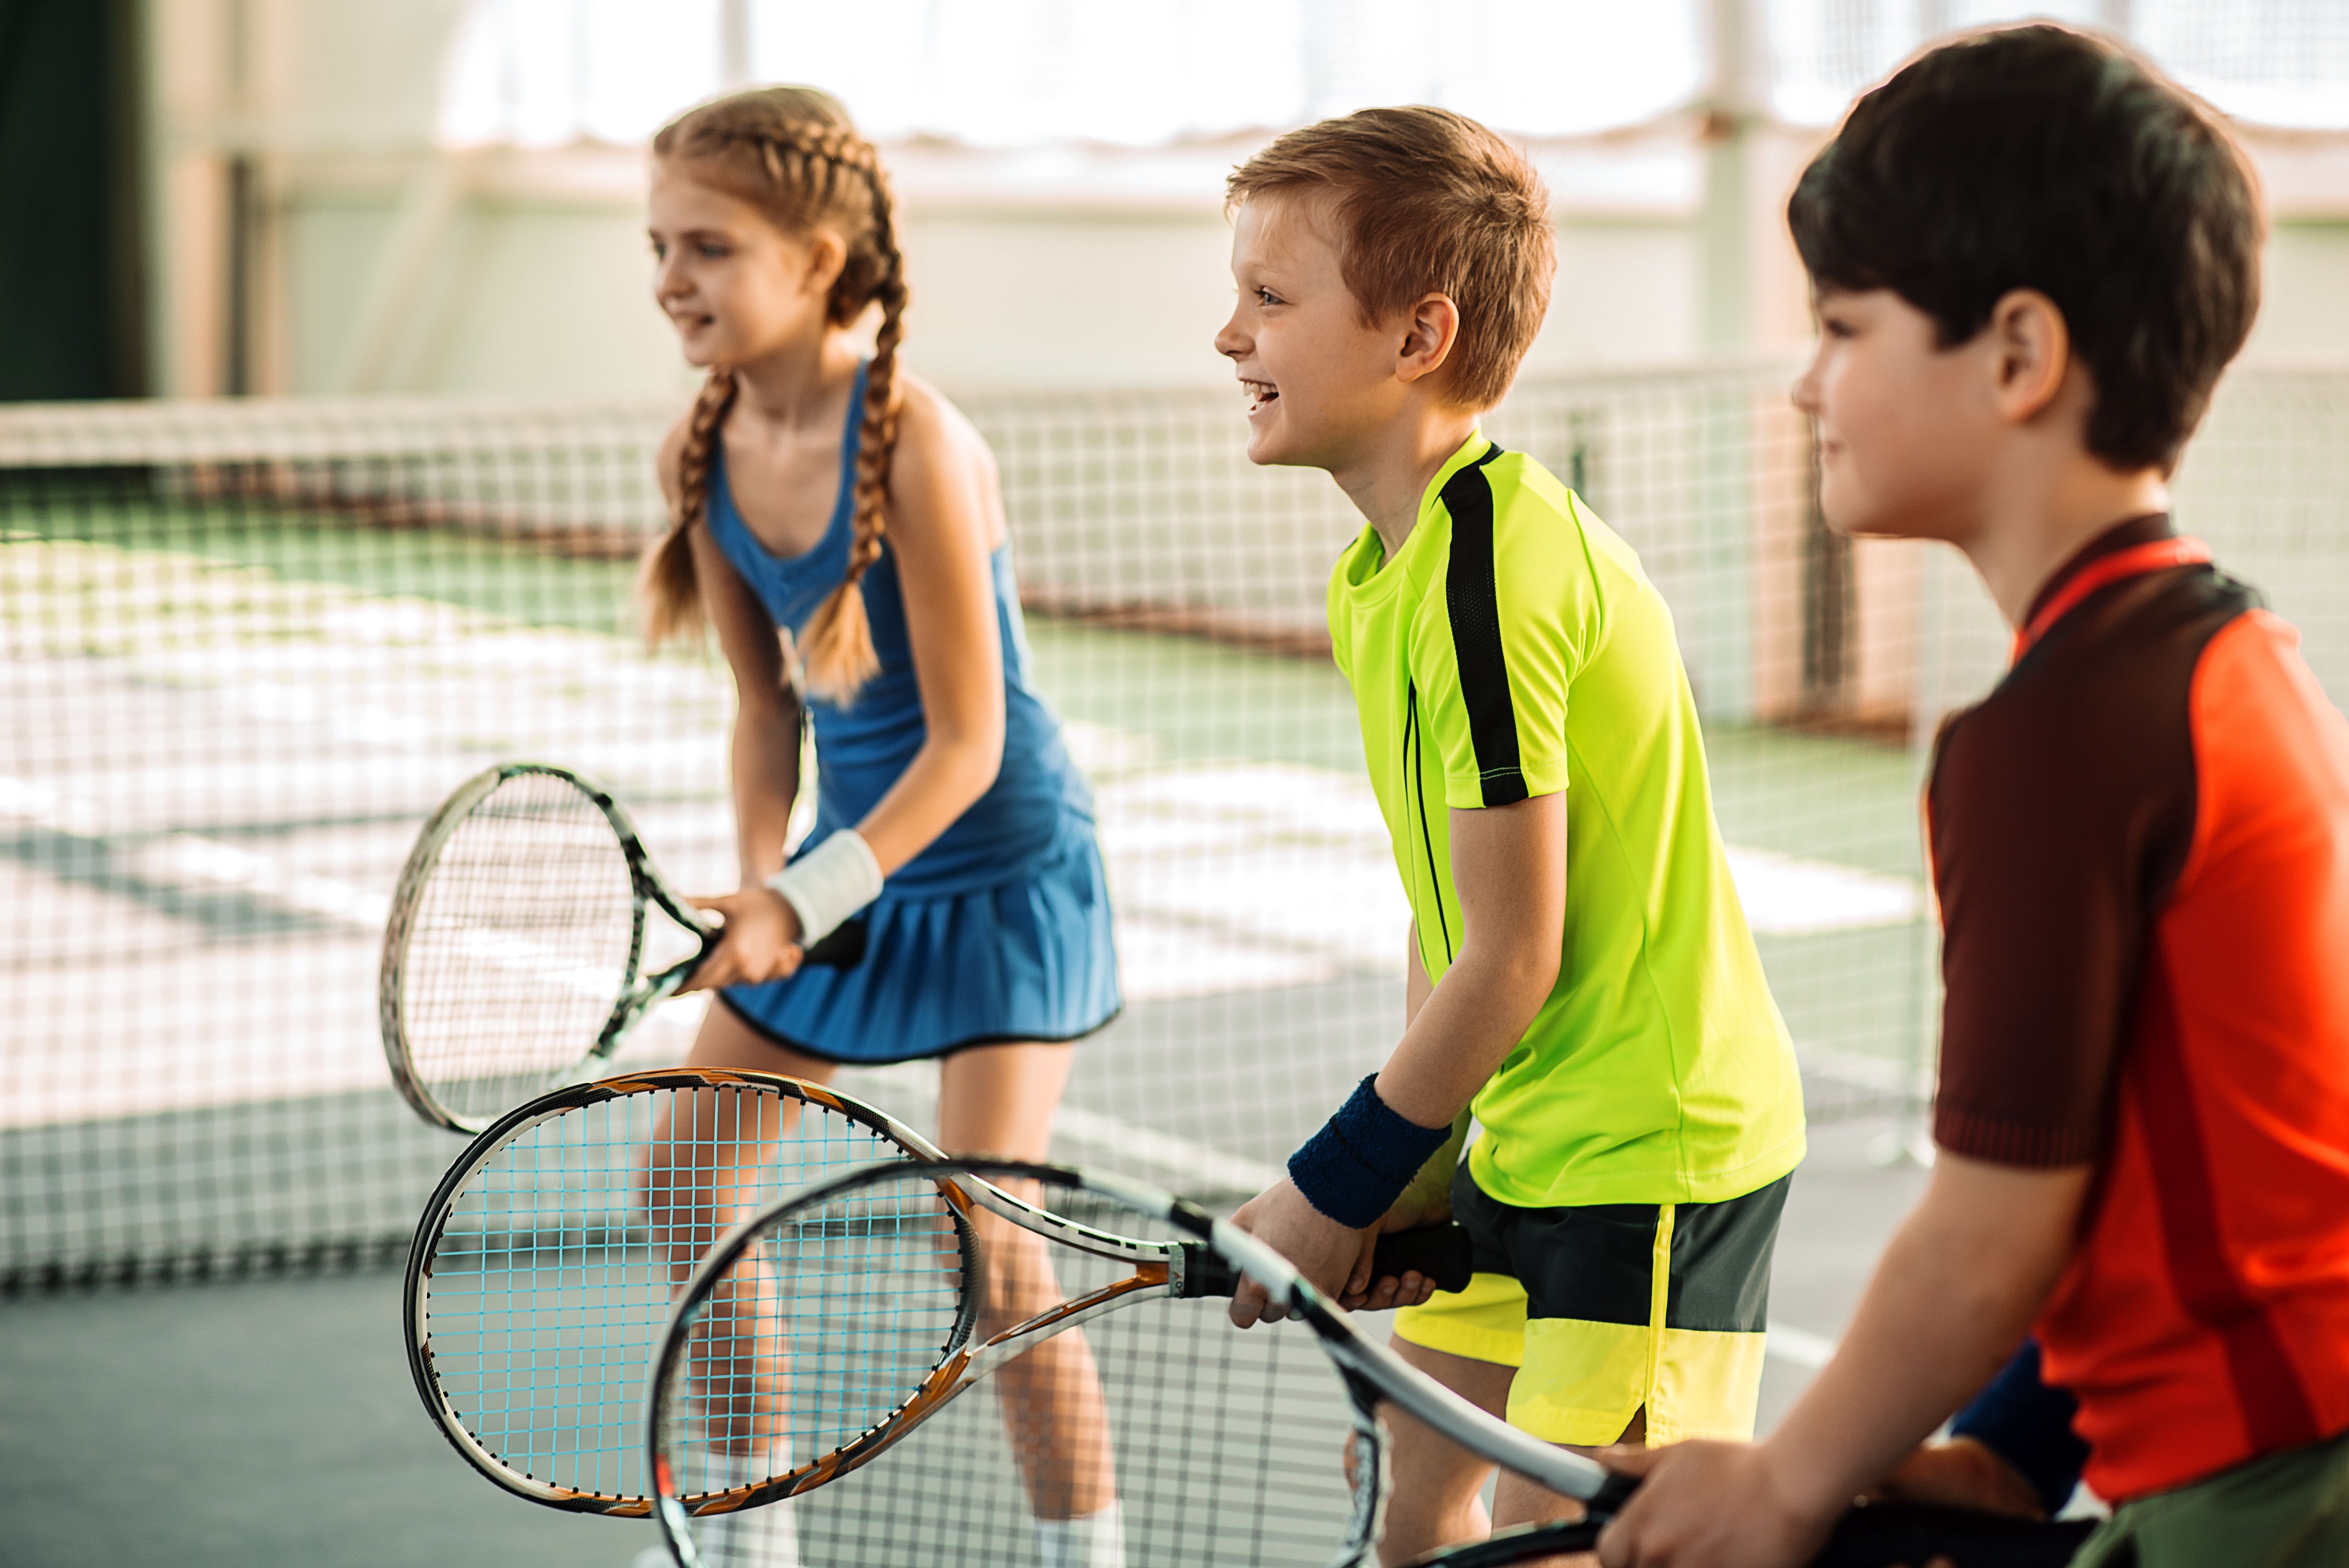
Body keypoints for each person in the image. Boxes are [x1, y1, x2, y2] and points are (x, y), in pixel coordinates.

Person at [1598, 26, 2349, 1568]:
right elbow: (2165, 1149)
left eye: (1842, 327)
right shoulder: (2227, 655)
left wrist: (1786, 1480)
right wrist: (2009, 1451)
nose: (1805, 384)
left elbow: (1991, 1229)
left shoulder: (2052, 739)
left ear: (2018, 354)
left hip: (2273, 1489)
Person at [1210, 106, 1807, 1563]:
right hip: (1525, 1133)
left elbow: (1516, 955)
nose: (1230, 336)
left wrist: (1334, 1181)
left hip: (1652, 1152)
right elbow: (1455, 915)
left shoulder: (1495, 566)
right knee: (1415, 1494)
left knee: (1582, 1539)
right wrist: (1415, 1164)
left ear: (1420, 335)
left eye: (1271, 297)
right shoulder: (1382, 572)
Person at [632, 86, 1124, 1568]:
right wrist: (762, 885)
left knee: (994, 1250)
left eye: (709, 247)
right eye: (658, 247)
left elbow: (971, 744)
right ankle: (751, 1536)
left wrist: (807, 894)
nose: (672, 280)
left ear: (822, 259)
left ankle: (1089, 1559)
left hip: (1004, 869)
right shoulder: (703, 447)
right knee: (683, 1183)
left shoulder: (917, 442)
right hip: (844, 883)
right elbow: (765, 708)